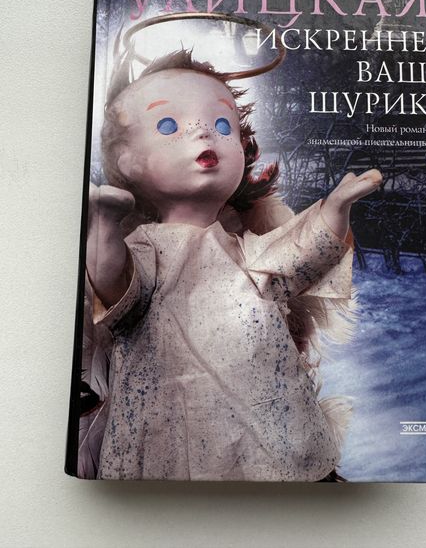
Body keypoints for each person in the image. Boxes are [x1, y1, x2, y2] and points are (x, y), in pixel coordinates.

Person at [86, 50, 382, 480]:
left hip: (269, 424)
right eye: (168, 125)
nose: (204, 131)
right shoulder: (147, 249)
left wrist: (335, 209)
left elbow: (301, 255)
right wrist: (103, 225)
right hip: (174, 426)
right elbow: (118, 290)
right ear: (127, 161)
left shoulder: (246, 251)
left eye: (223, 125)